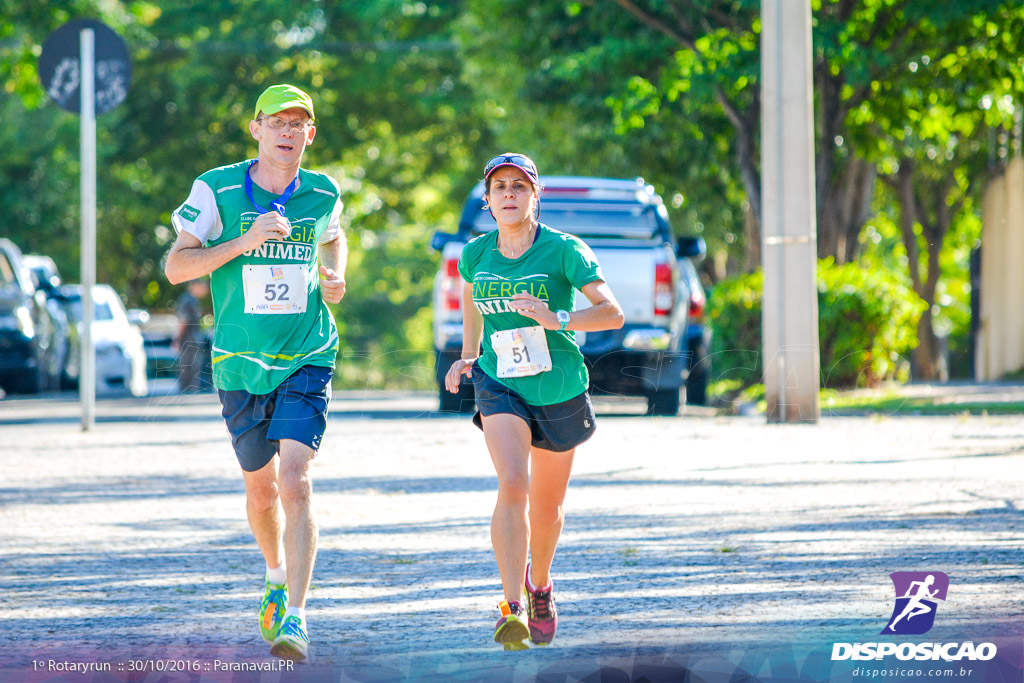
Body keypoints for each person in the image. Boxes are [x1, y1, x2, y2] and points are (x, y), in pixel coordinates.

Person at [164, 84, 347, 662]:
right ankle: (273, 573)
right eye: (277, 122)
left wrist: (334, 274)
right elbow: (175, 266)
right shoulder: (214, 188)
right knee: (261, 490)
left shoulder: (322, 191)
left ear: (309, 135)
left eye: (299, 124)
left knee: (295, 480)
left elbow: (336, 237)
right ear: (256, 129)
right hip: (240, 363)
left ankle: (296, 616)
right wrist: (244, 241)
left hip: (306, 354)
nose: (288, 132)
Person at [445, 153, 625, 650]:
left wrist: (557, 318)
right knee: (512, 483)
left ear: (535, 196)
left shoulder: (565, 251)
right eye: (499, 187)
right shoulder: (476, 254)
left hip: (559, 384)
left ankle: (539, 583)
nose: (508, 194)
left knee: (547, 510)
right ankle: (510, 608)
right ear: (487, 199)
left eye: (519, 187)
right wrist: (466, 356)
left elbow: (612, 314)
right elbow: (471, 303)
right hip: (499, 380)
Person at [174, 278, 209, 393]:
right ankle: (186, 393)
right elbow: (183, 321)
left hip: (193, 339)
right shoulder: (187, 300)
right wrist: (178, 339)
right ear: (194, 285)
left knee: (194, 368)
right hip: (188, 339)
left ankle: (191, 391)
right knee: (187, 367)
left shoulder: (194, 300)